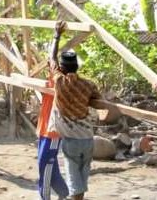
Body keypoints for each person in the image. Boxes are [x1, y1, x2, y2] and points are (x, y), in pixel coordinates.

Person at [48, 21, 102, 200]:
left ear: (61, 69)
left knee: (73, 183)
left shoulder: (58, 82)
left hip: (71, 141)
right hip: (87, 138)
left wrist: (57, 35)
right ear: (77, 67)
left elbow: (51, 58)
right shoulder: (88, 85)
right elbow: (98, 100)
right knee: (81, 180)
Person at [36, 68, 69, 200]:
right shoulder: (52, 79)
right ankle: (64, 192)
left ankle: (44, 197)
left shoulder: (63, 82)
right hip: (44, 129)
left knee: (45, 165)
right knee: (49, 164)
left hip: (53, 132)